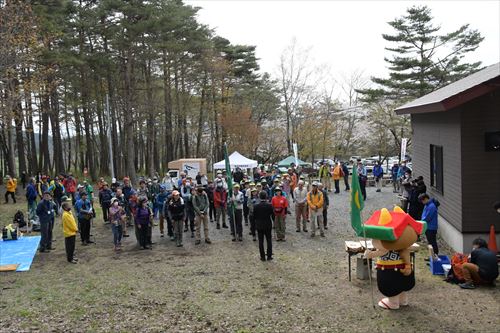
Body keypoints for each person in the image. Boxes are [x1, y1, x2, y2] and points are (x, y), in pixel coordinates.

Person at [253, 191, 274, 261]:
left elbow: (254, 216)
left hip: (259, 225)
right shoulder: (269, 205)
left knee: (260, 241)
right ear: (266, 196)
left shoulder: (256, 206)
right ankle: (269, 255)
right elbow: (272, 215)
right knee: (269, 240)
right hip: (268, 224)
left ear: (259, 197)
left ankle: (262, 256)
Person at [419, 193, 439, 258]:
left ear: (426, 199)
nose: (422, 202)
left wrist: (421, 222)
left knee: (432, 242)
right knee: (430, 242)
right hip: (428, 226)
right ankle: (431, 256)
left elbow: (427, 217)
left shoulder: (431, 206)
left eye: (422, 201)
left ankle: (435, 256)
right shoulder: (427, 205)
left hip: (431, 227)